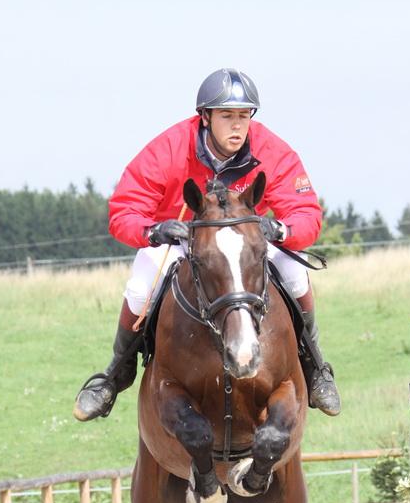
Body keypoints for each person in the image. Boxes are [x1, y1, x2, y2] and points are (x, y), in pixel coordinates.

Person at [73, 68, 340, 422]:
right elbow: (124, 210)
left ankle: (315, 368)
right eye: (227, 116)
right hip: (181, 239)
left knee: (294, 272)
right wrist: (153, 231)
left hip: (245, 243)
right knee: (140, 286)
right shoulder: (169, 148)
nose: (237, 126)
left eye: (244, 115)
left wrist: (280, 228)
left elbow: (306, 213)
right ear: (205, 117)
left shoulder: (272, 150)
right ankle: (115, 374)